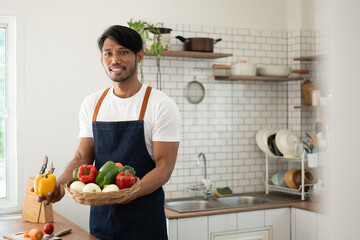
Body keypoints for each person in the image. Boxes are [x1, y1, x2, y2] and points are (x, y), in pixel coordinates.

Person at [37, 25, 181, 240]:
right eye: (108, 53)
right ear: (102, 59)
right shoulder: (93, 103)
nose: (115, 59)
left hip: (144, 219)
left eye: (123, 52)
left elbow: (164, 167)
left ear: (139, 56)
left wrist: (128, 193)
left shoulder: (160, 104)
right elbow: (82, 157)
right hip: (102, 219)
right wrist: (60, 184)